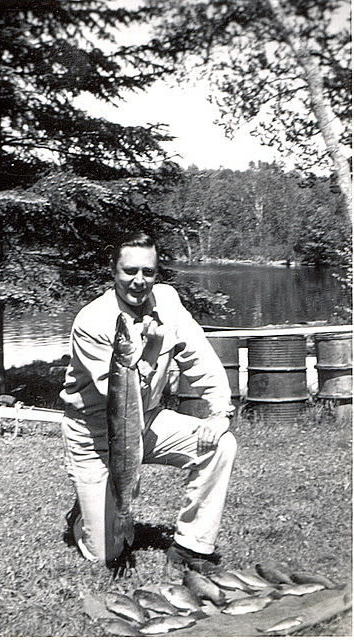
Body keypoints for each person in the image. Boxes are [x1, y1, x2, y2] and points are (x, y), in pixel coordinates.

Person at [60, 231, 237, 572]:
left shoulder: (167, 300)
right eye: (129, 271)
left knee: (220, 445)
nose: (139, 281)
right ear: (113, 271)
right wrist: (151, 353)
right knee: (107, 555)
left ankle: (191, 546)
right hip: (95, 434)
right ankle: (85, 512)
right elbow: (121, 399)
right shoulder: (92, 322)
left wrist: (219, 411)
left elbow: (200, 357)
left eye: (148, 272)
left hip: (149, 420)